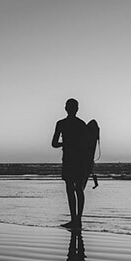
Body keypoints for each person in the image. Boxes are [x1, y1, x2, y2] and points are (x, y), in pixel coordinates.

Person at [51, 98, 90, 229]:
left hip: (68, 159)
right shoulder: (81, 124)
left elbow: (54, 144)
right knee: (78, 189)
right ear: (77, 109)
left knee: (71, 189)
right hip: (78, 161)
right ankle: (78, 220)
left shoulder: (61, 124)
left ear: (66, 108)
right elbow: (87, 146)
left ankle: (75, 219)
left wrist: (65, 143)